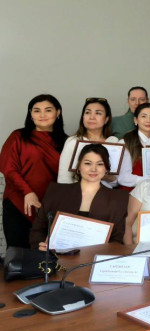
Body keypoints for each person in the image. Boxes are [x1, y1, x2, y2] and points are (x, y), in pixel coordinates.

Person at [30, 144, 128, 249]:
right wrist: (40, 246)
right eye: (87, 163)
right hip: (54, 257)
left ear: (106, 168)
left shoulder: (118, 198)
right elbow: (38, 230)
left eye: (100, 164)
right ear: (79, 166)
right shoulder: (56, 191)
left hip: (95, 257)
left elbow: (116, 238)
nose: (93, 169)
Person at [0, 94, 67, 248]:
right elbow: (9, 168)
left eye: (48, 110)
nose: (42, 115)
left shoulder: (66, 141)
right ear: (31, 114)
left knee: (47, 253)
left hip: (51, 206)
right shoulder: (18, 136)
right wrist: (28, 192)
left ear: (58, 112)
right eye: (37, 110)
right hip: (19, 201)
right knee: (17, 252)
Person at [57, 98, 119, 186]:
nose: (91, 117)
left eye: (98, 113)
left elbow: (116, 182)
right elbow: (63, 178)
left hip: (106, 193)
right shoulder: (73, 141)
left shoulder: (113, 142)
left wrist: (107, 177)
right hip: (76, 192)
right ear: (83, 117)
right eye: (87, 112)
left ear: (106, 119)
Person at [117, 103, 150, 190]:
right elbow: (123, 178)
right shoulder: (126, 142)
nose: (148, 120)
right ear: (135, 120)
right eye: (143, 116)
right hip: (131, 193)